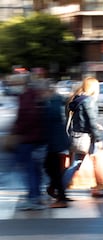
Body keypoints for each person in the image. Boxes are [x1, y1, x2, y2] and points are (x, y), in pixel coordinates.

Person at [63, 76, 103, 199]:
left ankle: (100, 190)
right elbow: (91, 121)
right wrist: (98, 138)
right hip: (87, 138)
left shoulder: (78, 100)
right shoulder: (89, 101)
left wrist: (95, 125)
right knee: (96, 163)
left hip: (77, 136)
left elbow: (81, 120)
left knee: (79, 164)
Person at [11, 76, 48, 210]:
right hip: (36, 138)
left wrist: (17, 130)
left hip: (28, 139)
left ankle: (33, 198)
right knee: (34, 169)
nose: (12, 86)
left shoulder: (26, 97)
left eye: (14, 83)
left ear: (23, 84)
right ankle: (36, 196)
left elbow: (27, 117)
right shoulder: (33, 95)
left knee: (29, 170)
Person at [43, 79, 71, 208]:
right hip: (56, 141)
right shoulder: (56, 100)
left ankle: (61, 198)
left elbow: (51, 119)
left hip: (55, 141)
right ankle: (58, 192)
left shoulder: (53, 102)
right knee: (52, 168)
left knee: (52, 169)